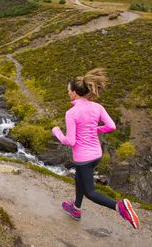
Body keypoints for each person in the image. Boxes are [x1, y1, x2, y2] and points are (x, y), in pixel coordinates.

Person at [52, 68, 140, 229]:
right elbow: (111, 126)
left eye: (68, 90)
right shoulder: (97, 107)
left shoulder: (71, 113)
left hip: (83, 158)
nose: (67, 93)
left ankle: (119, 207)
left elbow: (70, 141)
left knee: (90, 192)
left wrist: (57, 132)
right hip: (96, 154)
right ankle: (76, 209)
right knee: (79, 179)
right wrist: (95, 129)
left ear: (75, 93)